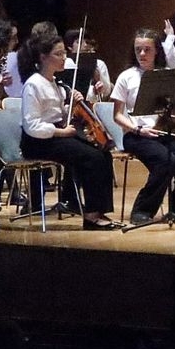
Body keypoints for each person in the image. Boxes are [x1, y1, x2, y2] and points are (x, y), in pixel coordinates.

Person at [20, 33, 116, 230]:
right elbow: (32, 125)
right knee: (92, 157)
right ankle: (90, 216)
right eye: (58, 54)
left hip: (56, 136)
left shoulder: (54, 83)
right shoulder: (33, 84)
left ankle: (99, 210)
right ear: (43, 57)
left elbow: (57, 113)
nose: (64, 57)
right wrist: (62, 132)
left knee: (103, 153)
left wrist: (71, 106)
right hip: (38, 142)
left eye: (64, 52)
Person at [110, 28, 175, 224]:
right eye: (138, 49)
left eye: (147, 49)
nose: (142, 54)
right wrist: (137, 129)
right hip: (136, 135)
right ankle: (142, 210)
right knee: (166, 161)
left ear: (157, 51)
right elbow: (117, 115)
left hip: (162, 132)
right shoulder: (127, 76)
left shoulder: (166, 75)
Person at [62, 28, 111, 103]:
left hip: (90, 106)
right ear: (70, 47)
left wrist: (97, 84)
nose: (85, 45)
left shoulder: (99, 63)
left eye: (87, 42)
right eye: (79, 42)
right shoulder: (65, 62)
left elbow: (107, 92)